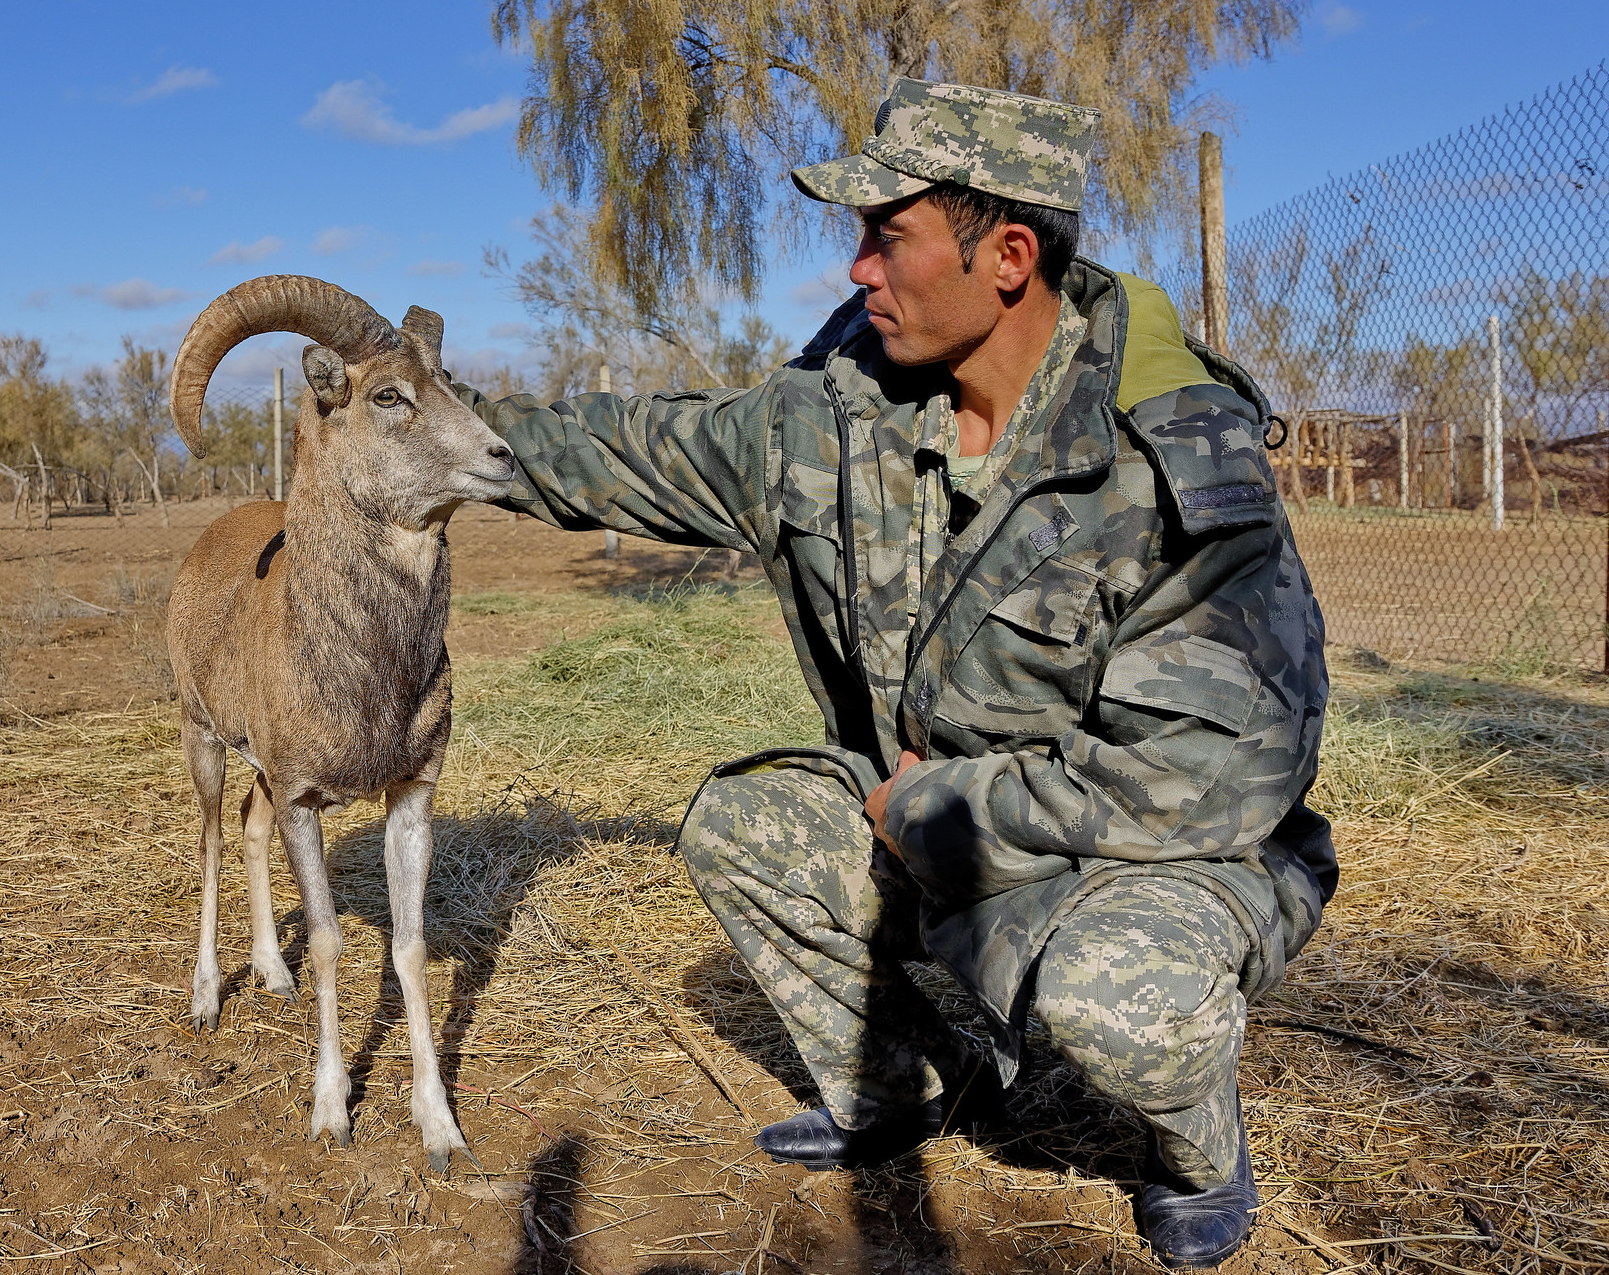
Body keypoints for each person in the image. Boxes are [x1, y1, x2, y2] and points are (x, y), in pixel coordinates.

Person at [455, 78, 1335, 1270]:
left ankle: (1195, 1148)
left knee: (1118, 1004)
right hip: (927, 816)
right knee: (746, 823)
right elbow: (635, 452)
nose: (859, 270)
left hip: (1150, 855)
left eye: (888, 235)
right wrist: (431, 429)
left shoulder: (1169, 455)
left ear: (1007, 256)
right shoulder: (841, 410)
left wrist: (941, 806)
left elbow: (1213, 778)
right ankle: (909, 1084)